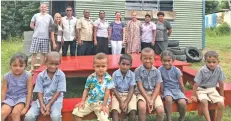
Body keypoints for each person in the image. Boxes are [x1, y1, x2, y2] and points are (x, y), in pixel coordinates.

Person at [24, 52, 66, 121]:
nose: (53, 66)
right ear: (45, 62)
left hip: (55, 100)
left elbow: (59, 91)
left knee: (56, 117)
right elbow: (39, 91)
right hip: (41, 100)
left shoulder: (61, 75)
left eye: (56, 64)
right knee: (29, 117)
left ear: (59, 63)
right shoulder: (41, 75)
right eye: (51, 64)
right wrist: (42, 104)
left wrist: (49, 105)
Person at [72, 53, 114, 121]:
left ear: (107, 67)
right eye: (98, 66)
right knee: (76, 112)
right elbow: (86, 89)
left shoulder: (108, 78)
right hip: (89, 101)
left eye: (103, 66)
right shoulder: (91, 77)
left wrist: (104, 105)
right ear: (93, 66)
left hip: (102, 103)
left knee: (104, 119)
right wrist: (82, 101)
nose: (100, 68)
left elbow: (107, 92)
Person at [191, 51, 225, 121]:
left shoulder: (219, 69)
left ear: (218, 62)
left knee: (221, 104)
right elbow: (196, 84)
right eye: (209, 62)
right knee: (204, 101)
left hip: (212, 89)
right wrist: (194, 95)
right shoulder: (202, 70)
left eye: (214, 62)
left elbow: (221, 83)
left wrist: (222, 95)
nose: (211, 64)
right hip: (201, 89)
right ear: (205, 62)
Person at [135, 47, 164, 121]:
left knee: (160, 110)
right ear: (141, 59)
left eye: (150, 58)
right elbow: (140, 86)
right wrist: (148, 99)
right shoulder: (138, 71)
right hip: (141, 93)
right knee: (142, 107)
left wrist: (152, 99)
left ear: (154, 59)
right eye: (145, 58)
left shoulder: (157, 71)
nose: (148, 61)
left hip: (154, 94)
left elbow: (158, 87)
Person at [1, 53, 33, 121]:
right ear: (10, 65)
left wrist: (26, 107)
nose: (17, 68)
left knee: (15, 113)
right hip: (10, 97)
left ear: (25, 66)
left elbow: (29, 91)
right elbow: (3, 91)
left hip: (22, 98)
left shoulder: (28, 76)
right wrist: (2, 103)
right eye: (15, 65)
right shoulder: (7, 76)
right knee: (3, 112)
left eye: (21, 66)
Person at [158, 50, 187, 121]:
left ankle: (182, 117)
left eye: (169, 60)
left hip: (176, 89)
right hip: (166, 89)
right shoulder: (160, 69)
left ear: (173, 60)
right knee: (168, 99)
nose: (166, 63)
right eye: (164, 61)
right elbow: (160, 82)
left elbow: (181, 83)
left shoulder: (176, 70)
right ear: (161, 60)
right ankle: (169, 118)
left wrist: (184, 95)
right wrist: (162, 93)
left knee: (182, 103)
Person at [111, 54, 136, 121]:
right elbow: (113, 89)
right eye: (123, 64)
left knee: (132, 111)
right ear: (119, 63)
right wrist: (121, 101)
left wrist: (126, 102)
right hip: (117, 95)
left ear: (130, 66)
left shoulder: (132, 74)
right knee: (114, 111)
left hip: (129, 95)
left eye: (127, 65)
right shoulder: (115, 74)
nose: (125, 66)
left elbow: (131, 89)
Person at [30, 3, 54, 72]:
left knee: (43, 54)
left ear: (46, 8)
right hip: (36, 37)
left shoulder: (49, 17)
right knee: (34, 53)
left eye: (44, 7)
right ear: (40, 8)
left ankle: (41, 68)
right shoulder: (36, 15)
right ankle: (32, 67)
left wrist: (49, 30)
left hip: (45, 37)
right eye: (42, 7)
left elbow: (52, 26)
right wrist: (36, 29)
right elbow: (31, 24)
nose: (43, 9)